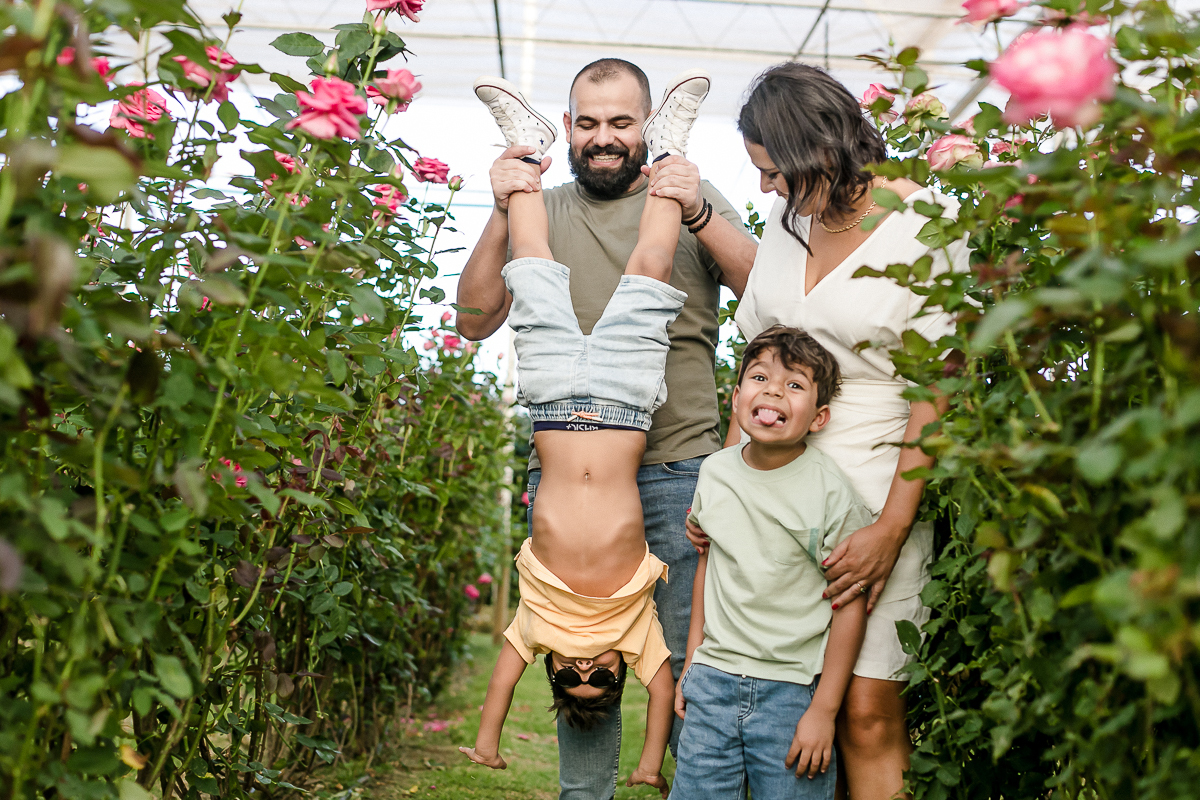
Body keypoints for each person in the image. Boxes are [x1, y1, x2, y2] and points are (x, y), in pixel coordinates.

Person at [456, 58, 757, 799]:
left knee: (685, 652)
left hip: (679, 463)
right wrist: (506, 201)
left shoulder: (687, 195)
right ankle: (585, 795)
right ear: (567, 128)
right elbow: (472, 320)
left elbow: (767, 293)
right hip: (577, 446)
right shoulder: (543, 203)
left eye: (622, 123)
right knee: (583, 650)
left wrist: (694, 206)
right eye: (587, 123)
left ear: (644, 128)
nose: (603, 137)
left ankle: (693, 788)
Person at [686, 62, 971, 800]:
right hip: (769, 495)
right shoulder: (789, 224)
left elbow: (940, 385)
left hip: (873, 490)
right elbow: (758, 365)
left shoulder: (926, 222)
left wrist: (892, 529)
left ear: (819, 151)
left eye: (774, 171)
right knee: (771, 698)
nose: (765, 189)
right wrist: (724, 485)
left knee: (865, 711)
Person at [671, 325, 872, 800]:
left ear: (818, 418)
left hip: (792, 691)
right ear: (736, 397)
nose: (774, 391)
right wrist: (693, 660)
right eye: (760, 378)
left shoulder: (830, 491)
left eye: (794, 384)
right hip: (713, 679)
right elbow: (707, 564)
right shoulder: (715, 471)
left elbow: (850, 601)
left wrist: (824, 710)